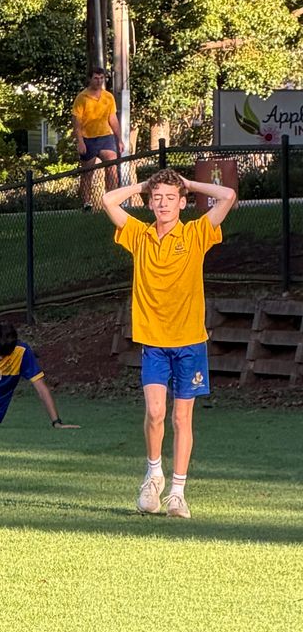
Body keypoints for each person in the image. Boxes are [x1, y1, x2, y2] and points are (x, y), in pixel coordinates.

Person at [102, 167, 236, 519]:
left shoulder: (195, 233)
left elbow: (228, 196)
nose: (163, 203)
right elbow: (108, 200)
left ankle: (177, 492)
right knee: (155, 412)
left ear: (182, 203)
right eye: (157, 198)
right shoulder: (138, 235)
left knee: (181, 416)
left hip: (190, 342)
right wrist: (142, 185)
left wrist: (188, 183)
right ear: (149, 202)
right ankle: (153, 475)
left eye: (170, 198)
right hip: (153, 342)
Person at [73, 67, 121, 207]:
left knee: (112, 168)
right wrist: (80, 141)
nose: (99, 81)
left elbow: (113, 119)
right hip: (88, 139)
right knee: (87, 172)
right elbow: (76, 122)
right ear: (90, 79)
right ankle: (86, 204)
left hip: (106, 137)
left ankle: (112, 202)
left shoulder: (108, 97)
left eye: (101, 78)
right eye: (96, 78)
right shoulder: (82, 98)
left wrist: (119, 139)